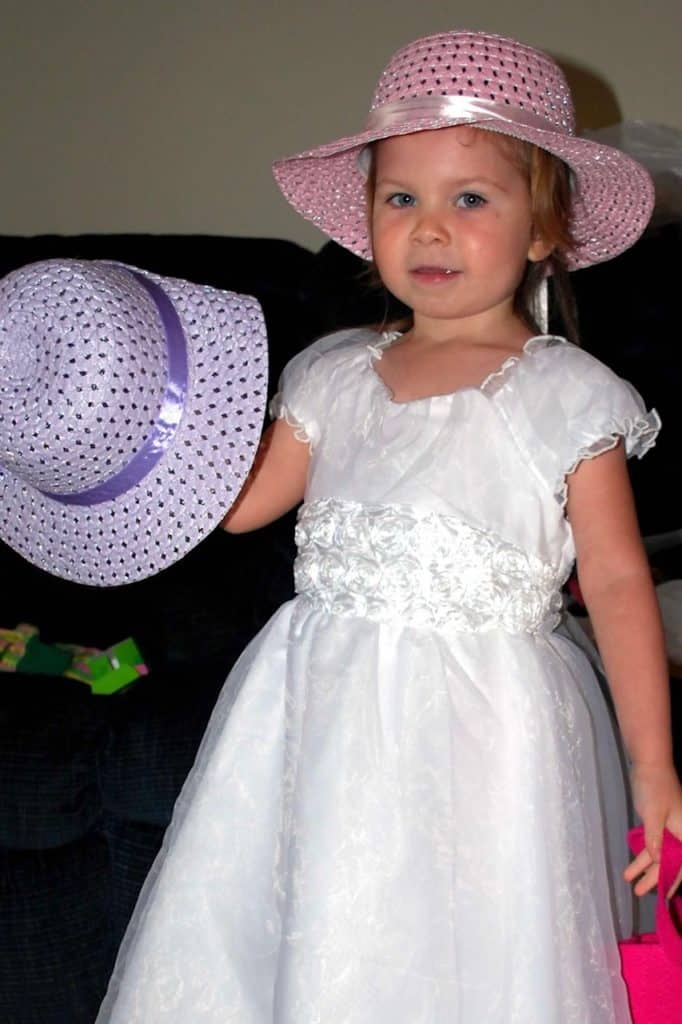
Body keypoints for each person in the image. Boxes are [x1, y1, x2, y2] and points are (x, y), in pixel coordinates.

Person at [96, 30, 682, 1023]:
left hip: (491, 723)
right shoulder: (331, 372)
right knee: (326, 925)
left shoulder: (569, 395)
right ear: (366, 221)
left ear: (543, 230)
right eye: (399, 198)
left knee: (480, 946)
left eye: (470, 199)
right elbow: (237, 504)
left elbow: (621, 584)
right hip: (319, 706)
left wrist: (652, 764)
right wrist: (139, 426)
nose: (430, 228)